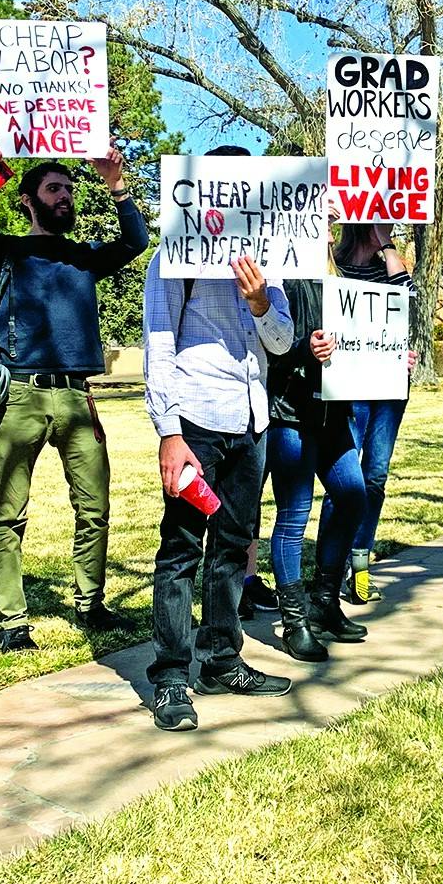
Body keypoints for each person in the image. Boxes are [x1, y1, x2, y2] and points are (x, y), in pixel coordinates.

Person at [0, 134, 149, 652]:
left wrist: (115, 184)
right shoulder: (4, 251)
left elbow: (135, 242)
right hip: (18, 395)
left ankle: (90, 602)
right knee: (10, 511)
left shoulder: (83, 258)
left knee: (94, 506)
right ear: (28, 200)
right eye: (54, 189)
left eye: (69, 190)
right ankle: (12, 620)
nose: (65, 197)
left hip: (77, 396)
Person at [142, 146, 296, 731]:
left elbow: (281, 343)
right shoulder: (175, 253)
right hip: (197, 422)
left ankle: (222, 657)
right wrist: (170, 432)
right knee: (181, 551)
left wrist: (260, 303)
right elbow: (158, 341)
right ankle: (172, 677)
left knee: (234, 546)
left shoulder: (269, 257)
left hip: (251, 420)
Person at [262, 277, 371, 662]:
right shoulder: (278, 279)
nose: (327, 215)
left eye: (331, 216)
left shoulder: (343, 279)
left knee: (353, 496)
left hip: (334, 414)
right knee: (293, 517)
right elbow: (267, 350)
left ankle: (324, 602)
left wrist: (391, 360)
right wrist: (304, 350)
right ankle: (294, 623)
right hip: (290, 414)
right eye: (319, 213)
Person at [323, 222, 415, 604]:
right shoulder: (335, 262)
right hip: (348, 386)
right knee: (345, 478)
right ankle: (329, 568)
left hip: (390, 386)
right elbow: (318, 289)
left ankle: (359, 564)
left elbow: (409, 304)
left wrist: (387, 243)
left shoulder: (392, 263)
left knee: (375, 474)